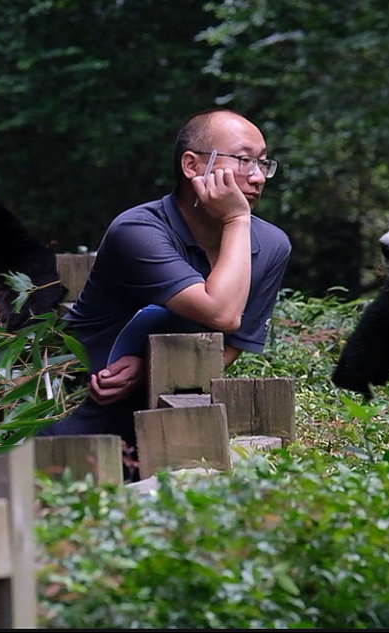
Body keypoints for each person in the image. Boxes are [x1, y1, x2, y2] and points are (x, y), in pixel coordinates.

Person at [39, 108, 292, 464]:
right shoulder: (138, 232)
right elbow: (221, 312)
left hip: (168, 431)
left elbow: (231, 343)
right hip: (72, 422)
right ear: (192, 166)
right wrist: (237, 218)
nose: (259, 177)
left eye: (264, 163)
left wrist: (152, 367)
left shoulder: (271, 245)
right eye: (244, 160)